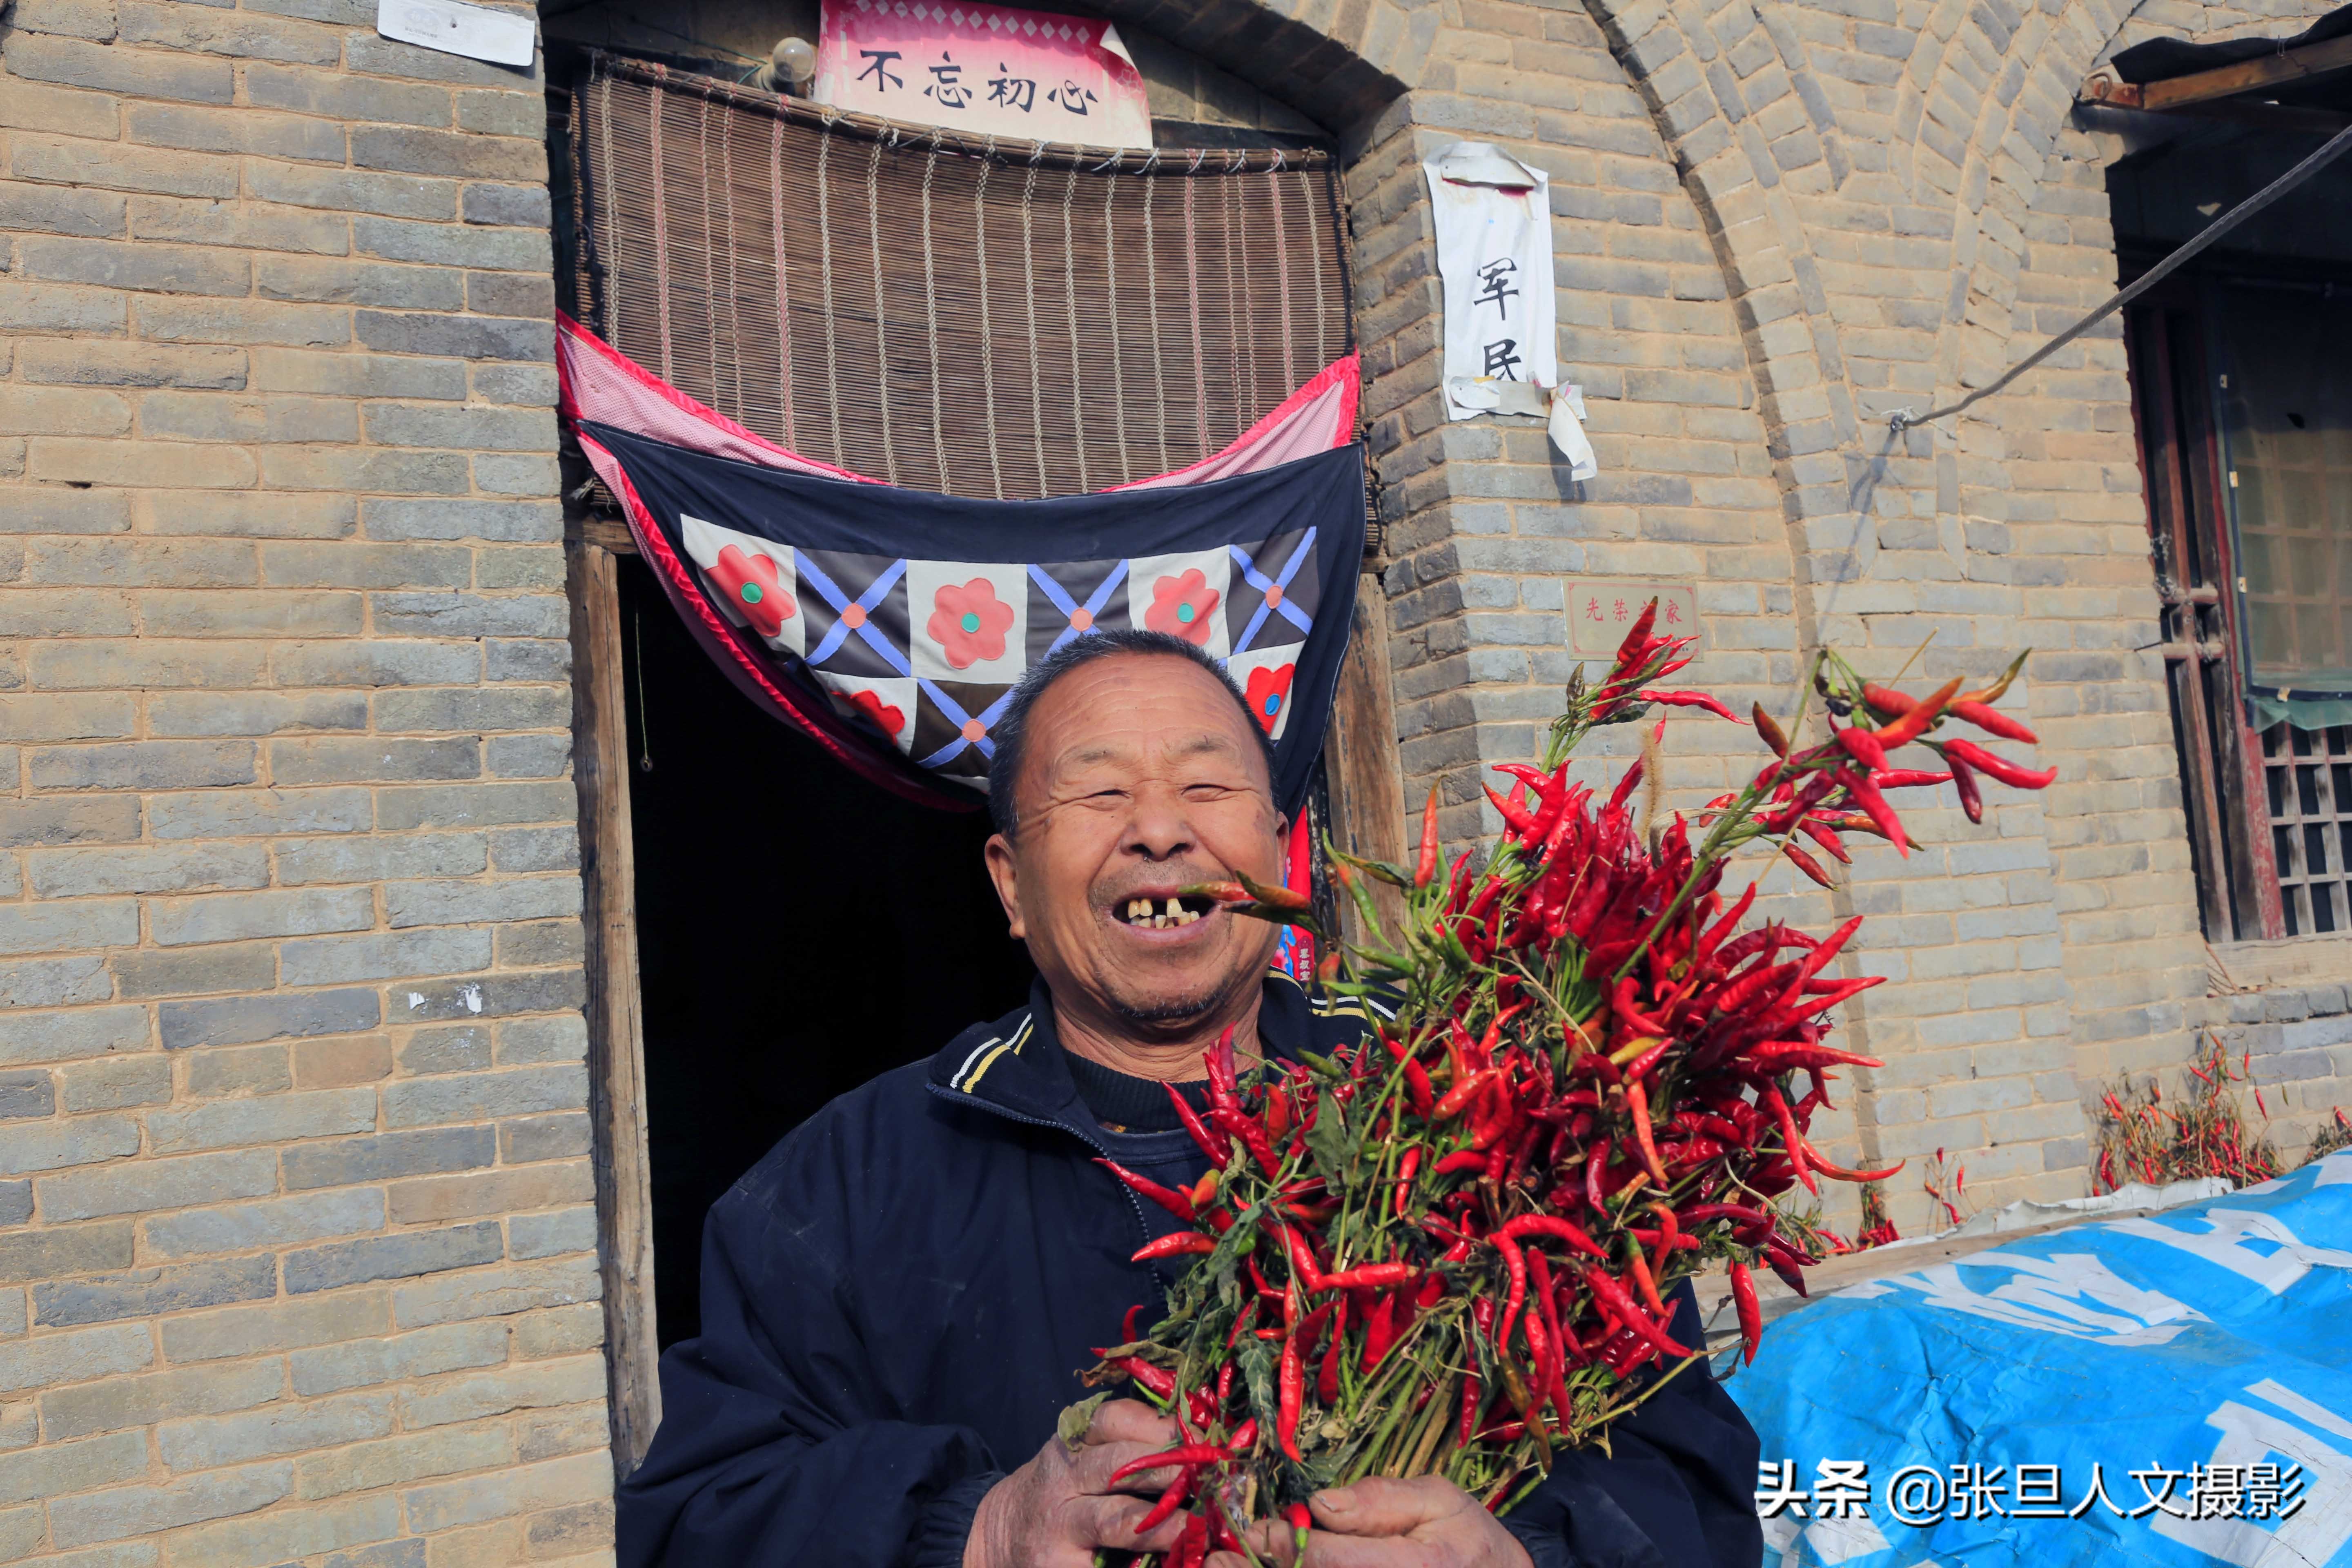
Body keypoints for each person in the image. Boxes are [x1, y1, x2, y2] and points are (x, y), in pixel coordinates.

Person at [616, 629, 1763, 1568]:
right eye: (1099, 790)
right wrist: (972, 1530)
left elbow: (1697, 1488)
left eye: (1207, 786)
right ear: (1011, 888)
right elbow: (691, 1523)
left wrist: (1528, 1561)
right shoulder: (848, 1183)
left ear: (1278, 850)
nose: (1160, 829)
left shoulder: (1486, 1119)